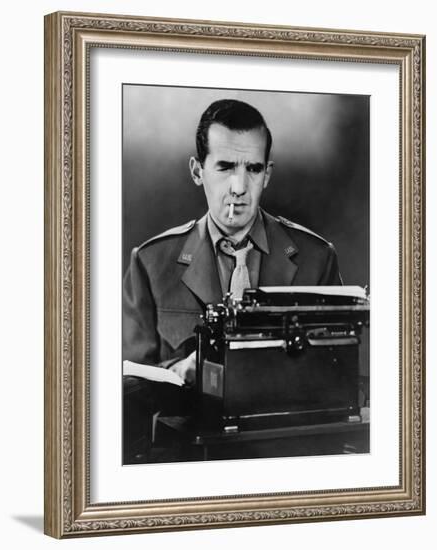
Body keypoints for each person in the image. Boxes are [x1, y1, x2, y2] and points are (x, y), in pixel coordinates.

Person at [122, 99, 342, 460]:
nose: (240, 186)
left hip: (288, 457)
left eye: (252, 168)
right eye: (225, 167)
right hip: (186, 462)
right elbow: (125, 391)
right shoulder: (150, 262)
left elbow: (341, 381)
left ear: (267, 175)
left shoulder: (316, 258)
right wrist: (184, 370)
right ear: (197, 171)